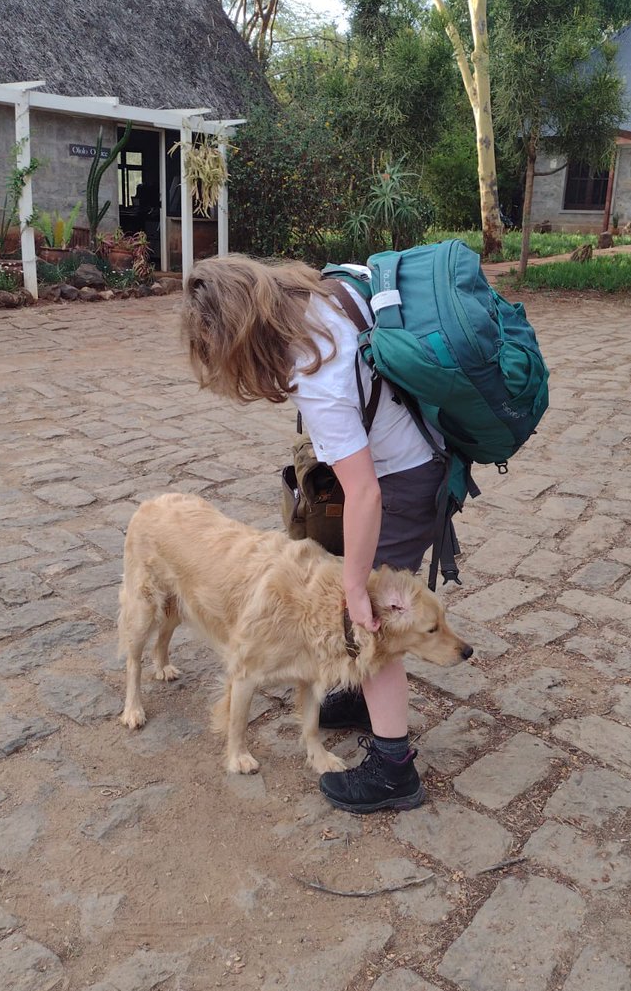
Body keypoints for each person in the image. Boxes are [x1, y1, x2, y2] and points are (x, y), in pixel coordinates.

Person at [180, 253, 446, 814]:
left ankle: (394, 770)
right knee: (367, 617)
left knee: (379, 624)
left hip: (401, 482)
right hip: (413, 459)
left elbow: (366, 494)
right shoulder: (318, 299)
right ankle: (352, 700)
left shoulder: (313, 371)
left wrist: (353, 588)